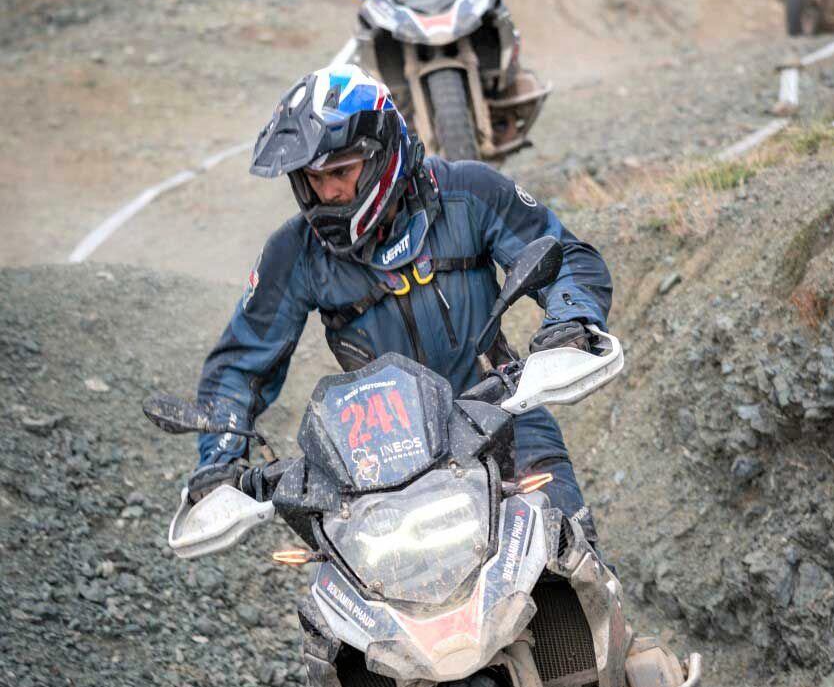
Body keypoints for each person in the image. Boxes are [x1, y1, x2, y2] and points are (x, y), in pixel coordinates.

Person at [187, 63, 610, 546]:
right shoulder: (296, 253)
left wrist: (571, 322)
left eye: (340, 172)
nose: (328, 192)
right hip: (382, 466)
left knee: (569, 558)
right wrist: (219, 461)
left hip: (507, 419)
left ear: (383, 151)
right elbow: (239, 366)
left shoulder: (469, 192)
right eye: (311, 178)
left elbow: (565, 255)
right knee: (359, 610)